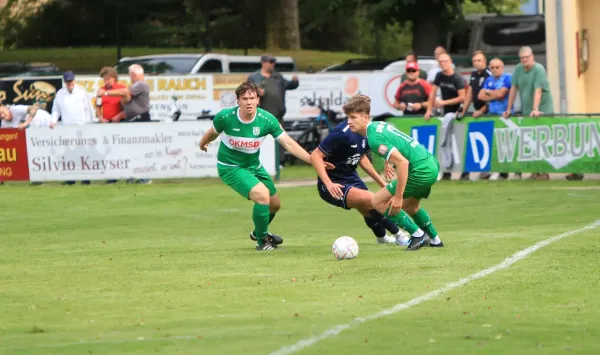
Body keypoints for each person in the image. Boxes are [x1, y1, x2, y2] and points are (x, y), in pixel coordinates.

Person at [199, 81, 326, 251]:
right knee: (262, 195)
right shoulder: (225, 117)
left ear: (258, 100)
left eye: (252, 98)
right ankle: (262, 242)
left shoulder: (267, 119)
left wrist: (312, 160)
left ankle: (258, 231)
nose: (249, 102)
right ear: (238, 101)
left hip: (254, 166)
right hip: (230, 167)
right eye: (244, 98)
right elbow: (211, 133)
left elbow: (288, 143)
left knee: (274, 205)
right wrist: (203, 143)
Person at [345, 94, 444, 251]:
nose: (349, 122)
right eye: (347, 118)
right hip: (430, 164)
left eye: (353, 117)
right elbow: (397, 143)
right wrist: (387, 161)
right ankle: (435, 240)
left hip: (420, 171)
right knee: (411, 206)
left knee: (377, 201)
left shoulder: (373, 138)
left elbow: (403, 162)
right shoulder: (379, 125)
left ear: (365, 118)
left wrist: (398, 196)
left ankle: (417, 235)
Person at [310, 120, 410, 246]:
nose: (351, 120)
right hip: (333, 184)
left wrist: (381, 182)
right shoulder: (342, 133)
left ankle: (382, 238)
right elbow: (315, 156)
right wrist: (329, 184)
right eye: (350, 116)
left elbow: (362, 157)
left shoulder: (367, 132)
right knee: (372, 200)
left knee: (367, 208)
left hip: (352, 178)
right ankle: (400, 235)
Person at [504, 46, 554, 181]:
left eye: (527, 57)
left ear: (532, 57)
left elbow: (538, 90)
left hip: (543, 109)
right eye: (522, 58)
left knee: (542, 141)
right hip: (527, 110)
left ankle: (543, 172)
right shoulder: (518, 69)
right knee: (531, 141)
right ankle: (535, 172)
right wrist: (509, 108)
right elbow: (513, 88)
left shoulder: (539, 69)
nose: (525, 60)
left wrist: (536, 108)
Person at [99, 64, 152, 184]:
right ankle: (134, 175)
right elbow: (126, 98)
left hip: (140, 119)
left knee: (141, 149)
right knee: (133, 150)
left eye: (130, 76)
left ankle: (146, 176)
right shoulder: (135, 86)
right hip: (134, 120)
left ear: (133, 74)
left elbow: (125, 92)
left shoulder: (141, 84)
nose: (130, 78)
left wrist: (106, 93)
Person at [247, 54, 299, 168]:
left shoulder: (277, 76)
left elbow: (289, 85)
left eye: (274, 62)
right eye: (270, 62)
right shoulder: (254, 77)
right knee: (260, 139)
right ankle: (260, 162)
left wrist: (295, 82)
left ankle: (280, 162)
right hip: (261, 115)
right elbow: (247, 91)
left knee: (280, 139)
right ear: (263, 63)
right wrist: (256, 92)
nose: (273, 64)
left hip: (278, 115)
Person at [424, 53, 467, 180]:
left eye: (445, 61)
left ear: (450, 62)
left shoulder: (457, 78)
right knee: (445, 142)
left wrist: (443, 102)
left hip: (458, 114)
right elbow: (432, 94)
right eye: (440, 62)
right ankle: (446, 171)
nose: (443, 63)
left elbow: (463, 97)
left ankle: (464, 172)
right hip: (445, 114)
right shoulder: (439, 76)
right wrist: (429, 109)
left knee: (458, 143)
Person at [460, 50, 491, 119]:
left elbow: (493, 98)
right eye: (474, 61)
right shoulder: (473, 74)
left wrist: (481, 111)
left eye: (479, 60)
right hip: (477, 112)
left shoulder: (489, 75)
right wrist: (463, 110)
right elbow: (469, 94)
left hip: (490, 113)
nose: (476, 63)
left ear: (484, 61)